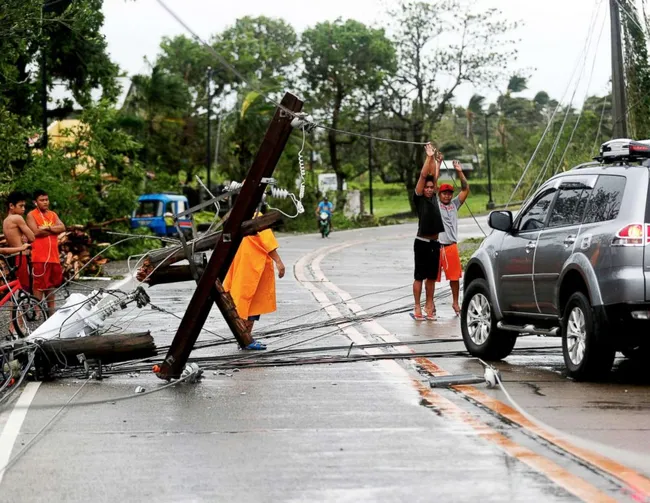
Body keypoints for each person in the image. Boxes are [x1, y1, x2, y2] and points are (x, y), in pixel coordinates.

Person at [223, 204, 286, 350]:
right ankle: (245, 339)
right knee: (250, 304)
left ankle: (245, 338)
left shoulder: (236, 216)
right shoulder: (256, 217)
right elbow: (267, 242)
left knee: (243, 302)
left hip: (240, 264)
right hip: (253, 267)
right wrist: (279, 262)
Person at [412, 143, 445, 321]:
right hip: (422, 243)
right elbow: (425, 175)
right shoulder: (419, 197)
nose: (430, 189)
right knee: (419, 277)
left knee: (431, 278)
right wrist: (429, 156)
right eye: (427, 187)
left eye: (432, 187)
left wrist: (438, 163)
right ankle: (417, 305)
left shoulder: (433, 197)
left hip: (435, 243)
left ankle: (429, 305)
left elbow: (433, 176)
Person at [436, 160, 470, 316]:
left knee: (454, 277)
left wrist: (459, 171)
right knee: (430, 278)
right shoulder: (435, 204)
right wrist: (436, 164)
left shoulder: (455, 204)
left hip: (451, 246)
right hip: (436, 246)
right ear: (439, 194)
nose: (447, 195)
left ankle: (456, 303)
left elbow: (465, 188)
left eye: (449, 193)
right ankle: (430, 305)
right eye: (444, 193)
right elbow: (432, 183)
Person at [26, 190, 65, 315]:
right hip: (39, 257)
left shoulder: (53, 214)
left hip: (53, 257)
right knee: (39, 285)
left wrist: (47, 228)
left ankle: (51, 312)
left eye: (46, 200)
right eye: (42, 200)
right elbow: (36, 232)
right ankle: (37, 313)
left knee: (51, 285)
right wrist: (54, 230)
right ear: (35, 202)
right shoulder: (31, 215)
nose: (45, 202)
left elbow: (63, 227)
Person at [2, 191, 35, 290]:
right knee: (25, 286)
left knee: (15, 287)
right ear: (11, 205)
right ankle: (27, 305)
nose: (23, 209)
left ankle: (15, 305)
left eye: (24, 206)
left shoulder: (6, 220)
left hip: (12, 256)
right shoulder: (17, 218)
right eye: (21, 206)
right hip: (21, 256)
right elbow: (32, 237)